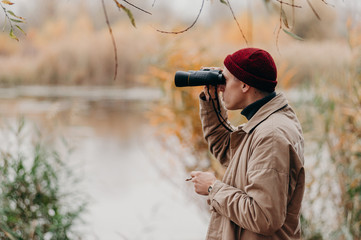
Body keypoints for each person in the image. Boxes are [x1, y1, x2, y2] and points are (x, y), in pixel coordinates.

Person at [189, 48, 305, 240]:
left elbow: (264, 216)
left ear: (244, 85)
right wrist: (211, 102)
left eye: (224, 80)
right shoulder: (266, 124)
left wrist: (213, 188)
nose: (220, 87)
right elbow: (226, 149)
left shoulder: (271, 135)